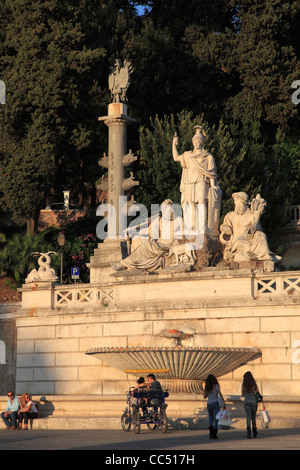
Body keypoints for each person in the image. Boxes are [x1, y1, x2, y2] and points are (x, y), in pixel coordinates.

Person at [172, 126, 222, 236]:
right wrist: (174, 144)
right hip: (189, 182)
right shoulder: (187, 155)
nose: (196, 144)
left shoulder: (208, 156)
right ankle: (192, 226)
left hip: (201, 181)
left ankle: (202, 225)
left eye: (198, 142)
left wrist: (213, 186)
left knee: (201, 201)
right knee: (191, 203)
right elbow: (176, 158)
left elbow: (212, 173)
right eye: (194, 142)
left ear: (202, 143)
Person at [203, 374, 225, 439]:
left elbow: (204, 396)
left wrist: (205, 393)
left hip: (209, 403)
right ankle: (214, 433)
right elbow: (220, 395)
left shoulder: (207, 387)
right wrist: (224, 402)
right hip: (215, 403)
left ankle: (210, 432)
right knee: (216, 418)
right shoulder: (217, 386)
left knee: (210, 417)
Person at [241, 371, 260, 438]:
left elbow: (242, 395)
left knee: (248, 417)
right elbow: (258, 391)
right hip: (254, 402)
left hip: (247, 402)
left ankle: (249, 433)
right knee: (253, 417)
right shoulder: (254, 384)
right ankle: (254, 431)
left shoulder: (244, 384)